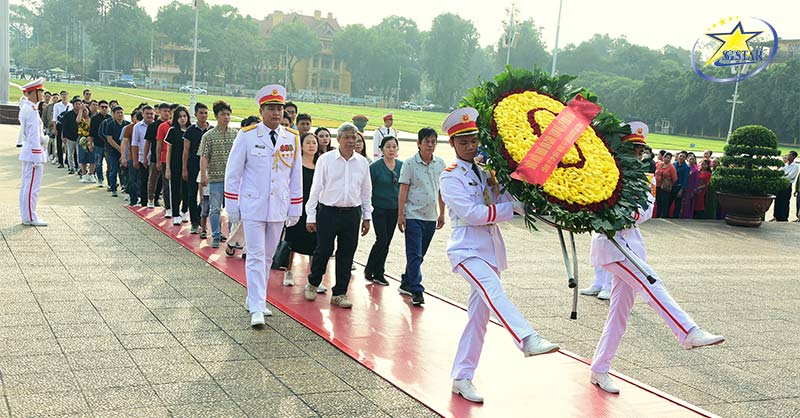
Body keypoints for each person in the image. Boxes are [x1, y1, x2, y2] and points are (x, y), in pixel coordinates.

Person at [588, 127, 725, 394]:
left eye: (641, 150)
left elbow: (648, 209)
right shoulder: (605, 174)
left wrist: (628, 215)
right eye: (634, 149)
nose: (639, 154)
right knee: (652, 284)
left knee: (619, 316)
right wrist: (621, 215)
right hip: (611, 246)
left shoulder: (641, 178)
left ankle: (599, 369)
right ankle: (687, 331)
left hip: (632, 246)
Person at [439, 108, 558, 403]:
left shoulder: (486, 171)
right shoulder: (449, 176)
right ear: (452, 144)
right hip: (466, 248)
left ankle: (462, 377)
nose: (470, 146)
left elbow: (505, 198)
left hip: (490, 249)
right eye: (463, 142)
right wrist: (512, 209)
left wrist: (527, 196)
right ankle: (527, 338)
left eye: (473, 140)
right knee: (494, 291)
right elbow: (472, 213)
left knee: (478, 319)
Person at [224, 84, 303, 327]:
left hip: (278, 207)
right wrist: (232, 205)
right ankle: (257, 307)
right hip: (253, 205)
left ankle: (254, 298)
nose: (276, 113)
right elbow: (233, 172)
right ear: (261, 111)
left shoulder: (292, 138)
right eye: (271, 108)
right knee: (256, 255)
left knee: (268, 256)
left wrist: (295, 206)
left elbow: (295, 175)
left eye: (279, 108)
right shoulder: (247, 136)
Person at [305, 122, 373, 309]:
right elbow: (316, 188)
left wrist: (367, 216)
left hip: (352, 213)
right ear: (339, 139)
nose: (351, 141)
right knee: (324, 250)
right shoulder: (326, 160)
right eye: (347, 138)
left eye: (354, 138)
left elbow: (366, 191)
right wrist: (310, 215)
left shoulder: (362, 163)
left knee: (346, 253)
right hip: (328, 212)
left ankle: (340, 293)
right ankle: (313, 281)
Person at [397, 127, 446, 305]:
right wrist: (400, 214)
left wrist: (442, 213)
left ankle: (406, 281)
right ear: (419, 143)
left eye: (433, 141)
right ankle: (416, 290)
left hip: (431, 216)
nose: (430, 145)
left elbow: (441, 190)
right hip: (413, 215)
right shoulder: (409, 164)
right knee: (414, 253)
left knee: (420, 254)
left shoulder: (440, 164)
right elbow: (403, 190)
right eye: (427, 141)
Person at [364, 136, 402, 288]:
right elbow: (367, 188)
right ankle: (373, 269)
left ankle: (377, 270)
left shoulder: (401, 166)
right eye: (388, 147)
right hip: (378, 208)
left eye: (394, 146)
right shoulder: (375, 167)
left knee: (387, 242)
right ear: (381, 149)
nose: (391, 149)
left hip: (394, 209)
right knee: (382, 239)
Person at [283, 133, 321, 287]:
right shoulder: (295, 164)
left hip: (314, 208)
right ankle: (288, 271)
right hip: (297, 206)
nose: (312, 145)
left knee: (315, 242)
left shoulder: (320, 164)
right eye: (308, 142)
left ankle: (313, 278)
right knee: (292, 240)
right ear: (302, 146)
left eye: (314, 142)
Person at [200, 100, 238, 248]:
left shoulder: (236, 135)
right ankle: (215, 235)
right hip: (215, 178)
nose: (226, 117)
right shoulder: (208, 136)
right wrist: (203, 175)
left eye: (228, 114)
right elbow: (204, 157)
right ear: (216, 116)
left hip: (232, 180)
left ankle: (232, 238)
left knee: (233, 209)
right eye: (223, 114)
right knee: (214, 208)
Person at [18, 78, 49, 227]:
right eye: (40, 91)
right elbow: (32, 135)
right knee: (32, 187)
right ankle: (30, 217)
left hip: (30, 151)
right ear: (33, 93)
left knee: (27, 185)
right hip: (33, 153)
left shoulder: (29, 107)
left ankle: (27, 215)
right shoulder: (30, 110)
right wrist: (38, 156)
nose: (42, 94)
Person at [183, 103, 211, 233]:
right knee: (192, 194)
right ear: (195, 114)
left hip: (207, 167)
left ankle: (202, 219)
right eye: (201, 113)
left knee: (206, 195)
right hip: (193, 165)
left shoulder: (211, 130)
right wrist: (184, 168)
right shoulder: (190, 130)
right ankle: (194, 222)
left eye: (205, 113)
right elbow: (186, 151)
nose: (203, 115)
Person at [165, 106, 192, 225]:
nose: (182, 119)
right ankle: (175, 214)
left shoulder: (191, 130)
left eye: (184, 116)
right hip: (175, 164)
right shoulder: (173, 131)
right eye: (180, 116)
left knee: (187, 189)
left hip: (188, 165)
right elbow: (169, 151)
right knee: (175, 190)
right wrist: (168, 168)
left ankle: (184, 210)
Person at [102, 106, 130, 197]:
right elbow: (109, 139)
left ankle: (125, 187)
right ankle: (113, 188)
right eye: (118, 113)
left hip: (125, 152)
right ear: (113, 114)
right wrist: (118, 147)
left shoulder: (127, 125)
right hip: (113, 151)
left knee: (125, 171)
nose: (120, 114)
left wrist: (123, 149)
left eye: (121, 112)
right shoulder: (110, 124)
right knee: (113, 170)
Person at [156, 104, 178, 217]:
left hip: (179, 160)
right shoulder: (163, 126)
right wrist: (158, 160)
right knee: (167, 184)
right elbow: (159, 144)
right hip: (166, 159)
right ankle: (168, 207)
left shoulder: (184, 127)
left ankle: (178, 207)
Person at [131, 106, 155, 207]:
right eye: (147, 113)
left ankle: (154, 199)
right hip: (142, 158)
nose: (149, 116)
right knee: (143, 180)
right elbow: (135, 144)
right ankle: (144, 201)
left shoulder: (156, 126)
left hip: (154, 158)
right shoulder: (138, 127)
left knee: (154, 181)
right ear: (143, 114)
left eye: (151, 114)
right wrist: (135, 160)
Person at [146, 104, 168, 208]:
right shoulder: (153, 126)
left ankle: (159, 200)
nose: (167, 113)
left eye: (168, 111)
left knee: (164, 181)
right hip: (155, 157)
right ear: (159, 112)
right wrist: (145, 157)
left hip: (167, 158)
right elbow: (148, 143)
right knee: (153, 179)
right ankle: (150, 199)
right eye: (164, 111)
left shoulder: (172, 126)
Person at [121, 111, 143, 206]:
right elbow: (124, 142)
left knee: (142, 179)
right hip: (132, 156)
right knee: (132, 178)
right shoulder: (129, 128)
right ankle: (133, 198)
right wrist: (123, 157)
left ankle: (142, 197)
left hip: (145, 157)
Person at [89, 100, 111, 188]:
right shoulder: (94, 118)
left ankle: (110, 181)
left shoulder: (110, 118)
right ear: (99, 108)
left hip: (109, 145)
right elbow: (91, 133)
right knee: (98, 163)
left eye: (106, 107)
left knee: (110, 164)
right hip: (98, 145)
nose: (104, 109)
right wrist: (90, 144)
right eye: (102, 107)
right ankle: (100, 179)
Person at [60, 97, 82, 174]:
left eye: (79, 104)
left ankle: (80, 168)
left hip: (79, 137)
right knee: (70, 153)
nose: (78, 106)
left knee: (79, 153)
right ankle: (71, 167)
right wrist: (64, 136)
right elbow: (64, 126)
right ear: (73, 105)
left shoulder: (82, 114)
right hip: (70, 137)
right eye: (76, 104)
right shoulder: (68, 114)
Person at [774, 151, 798, 222]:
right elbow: (780, 172)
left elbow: (790, 176)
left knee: (785, 201)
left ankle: (783, 217)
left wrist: (782, 176)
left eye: (790, 155)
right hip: (781, 184)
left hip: (787, 185)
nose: (788, 156)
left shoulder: (795, 166)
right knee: (778, 200)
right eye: (788, 155)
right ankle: (777, 216)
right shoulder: (785, 165)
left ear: (794, 157)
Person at [654, 152, 676, 218]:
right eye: (666, 157)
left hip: (665, 188)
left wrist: (669, 183)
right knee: (658, 202)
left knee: (664, 203)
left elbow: (675, 178)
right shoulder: (659, 164)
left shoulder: (671, 167)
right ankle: (657, 216)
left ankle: (664, 216)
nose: (667, 159)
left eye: (668, 158)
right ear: (663, 157)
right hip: (657, 186)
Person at [52, 91, 71, 168]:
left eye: (65, 95)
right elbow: (54, 118)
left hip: (68, 126)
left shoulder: (71, 106)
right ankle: (60, 161)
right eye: (63, 95)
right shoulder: (57, 105)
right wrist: (54, 128)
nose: (64, 96)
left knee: (68, 144)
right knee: (59, 144)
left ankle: (68, 160)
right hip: (59, 125)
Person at [680, 152, 700, 219]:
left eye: (693, 159)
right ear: (688, 160)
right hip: (685, 186)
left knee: (689, 203)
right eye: (690, 159)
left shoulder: (696, 170)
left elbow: (696, 181)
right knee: (683, 202)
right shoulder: (686, 167)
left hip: (691, 188)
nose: (691, 160)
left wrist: (694, 190)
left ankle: (688, 215)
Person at [671, 151, 689, 218]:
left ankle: (676, 218)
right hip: (672, 186)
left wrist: (681, 190)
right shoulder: (674, 164)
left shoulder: (686, 167)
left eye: (683, 157)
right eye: (680, 156)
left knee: (677, 204)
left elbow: (685, 180)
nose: (681, 158)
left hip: (679, 187)